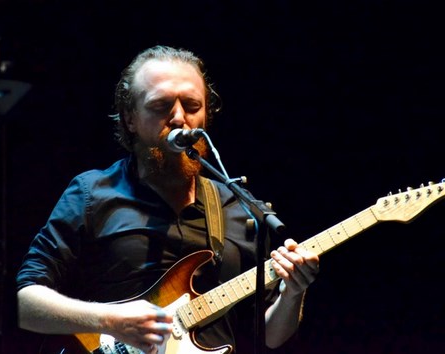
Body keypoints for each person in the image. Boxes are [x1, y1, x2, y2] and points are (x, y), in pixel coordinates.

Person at [16, 44, 320, 354]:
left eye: (191, 105)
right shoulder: (92, 193)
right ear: (130, 119)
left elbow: (270, 335)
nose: (179, 118)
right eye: (161, 106)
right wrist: (107, 319)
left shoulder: (238, 208)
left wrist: (294, 292)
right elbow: (25, 305)